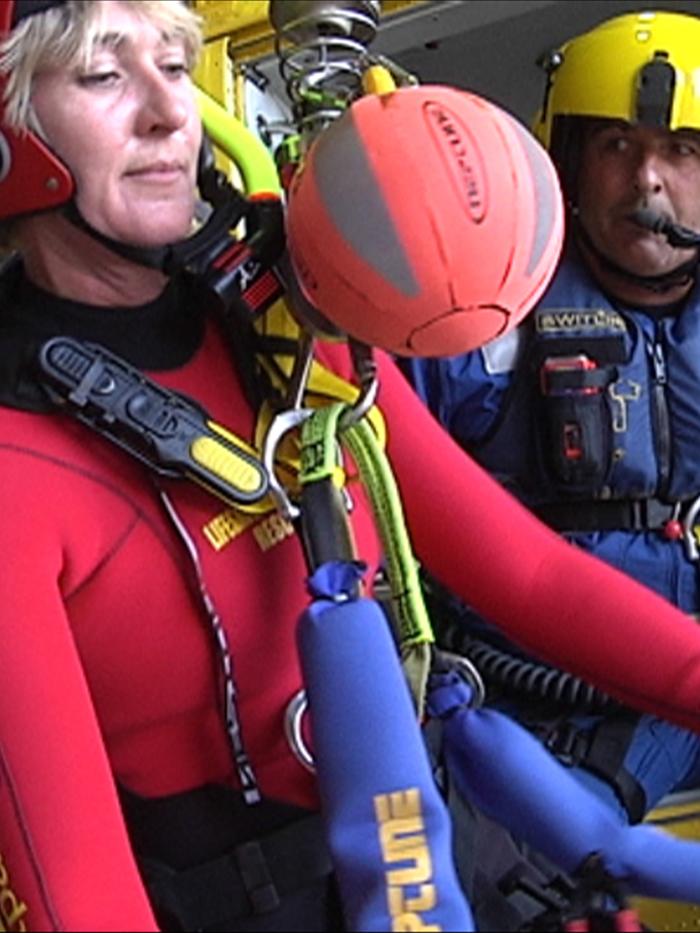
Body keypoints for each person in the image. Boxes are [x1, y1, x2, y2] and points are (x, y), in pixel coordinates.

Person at [3, 2, 700, 931]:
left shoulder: (286, 327)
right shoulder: (18, 469)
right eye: (101, 75)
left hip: (459, 856)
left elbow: (527, 573)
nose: (170, 111)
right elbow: (79, 896)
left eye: (172, 65)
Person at [403, 9, 700, 827]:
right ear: (567, 162)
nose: (648, 181)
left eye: (683, 150)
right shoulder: (483, 309)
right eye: (617, 146)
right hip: (531, 717)